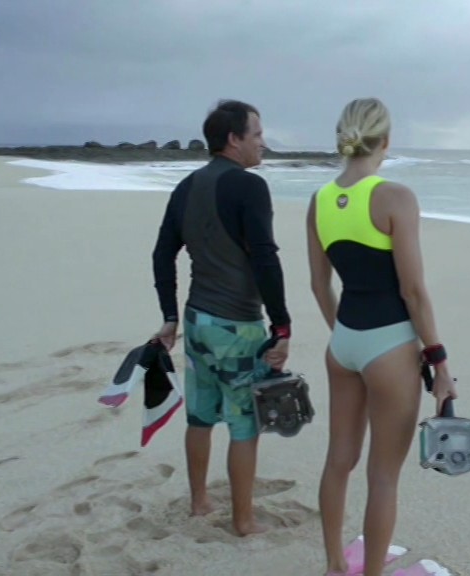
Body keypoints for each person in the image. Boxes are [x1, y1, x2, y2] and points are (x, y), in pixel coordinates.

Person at [306, 98, 458, 576]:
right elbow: (413, 291)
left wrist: (345, 336)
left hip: (343, 343)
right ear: (386, 141)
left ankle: (334, 566)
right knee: (383, 476)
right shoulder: (396, 197)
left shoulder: (319, 200)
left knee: (338, 461)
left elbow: (319, 285)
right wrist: (439, 363)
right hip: (390, 346)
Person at [151, 99, 292, 536]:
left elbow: (162, 254)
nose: (263, 143)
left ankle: (199, 502)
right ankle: (244, 521)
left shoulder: (187, 186)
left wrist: (170, 316)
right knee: (244, 423)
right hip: (237, 326)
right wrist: (281, 326)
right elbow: (265, 257)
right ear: (233, 139)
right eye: (257, 134)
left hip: (197, 322)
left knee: (200, 416)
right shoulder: (249, 187)